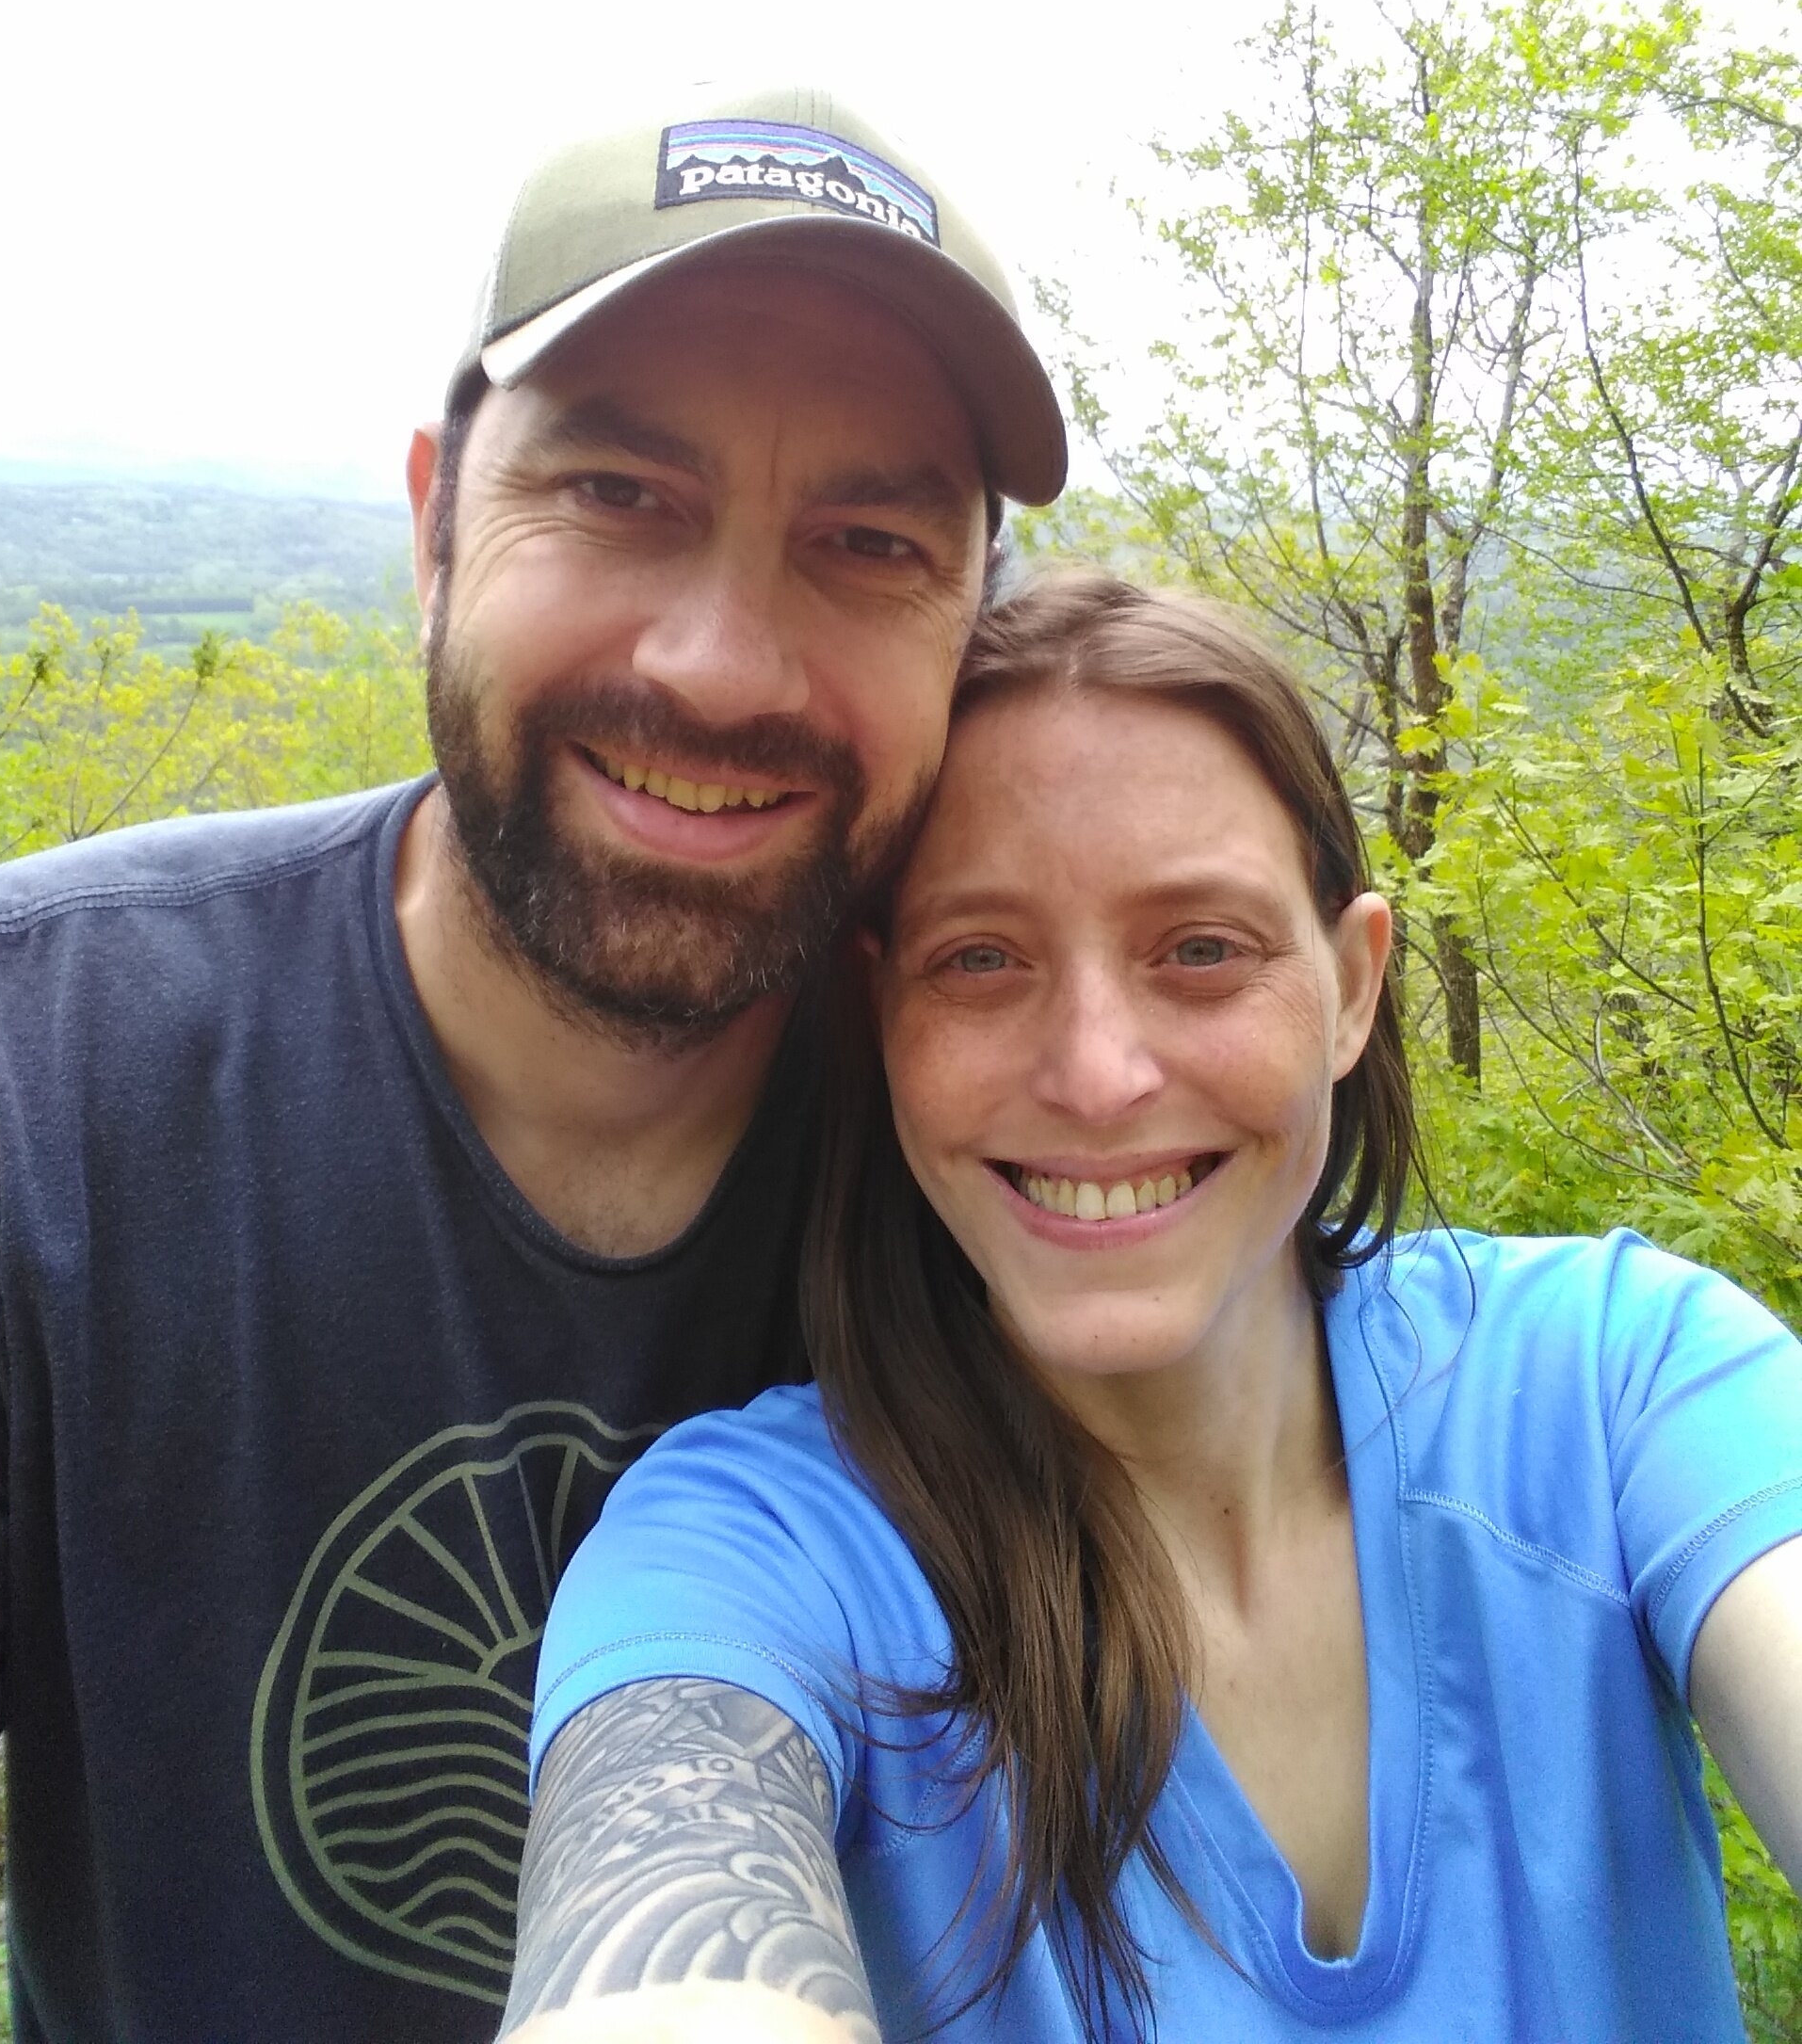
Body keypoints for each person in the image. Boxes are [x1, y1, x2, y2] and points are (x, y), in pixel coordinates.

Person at [0, 86, 1068, 2044]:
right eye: (618, 495)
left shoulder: (1047, 1152)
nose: (723, 662)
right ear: (432, 525)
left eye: (869, 541)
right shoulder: (36, 1070)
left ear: (970, 624)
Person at [503, 570, 1802, 2044]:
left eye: (1201, 949)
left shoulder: (1617, 1386)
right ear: (884, 1021)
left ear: (1355, 986)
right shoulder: (756, 1556)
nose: (1099, 1073)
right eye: (980, 959)